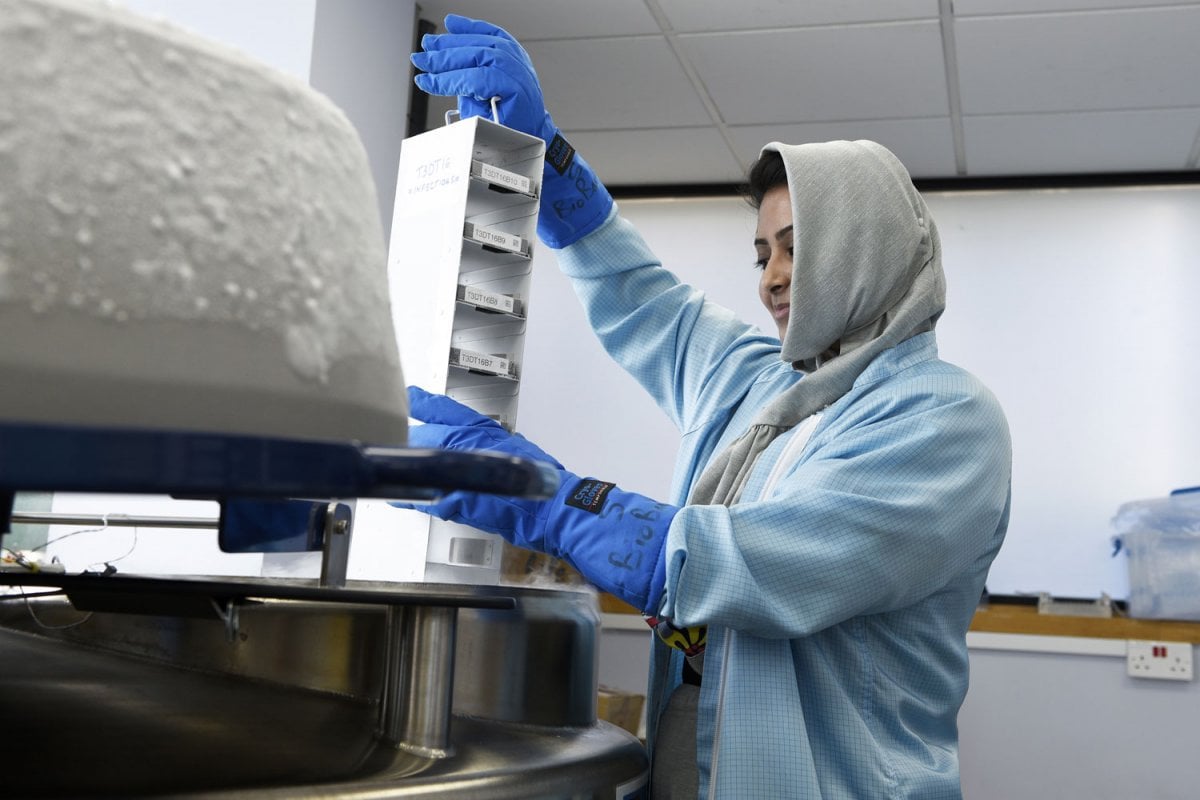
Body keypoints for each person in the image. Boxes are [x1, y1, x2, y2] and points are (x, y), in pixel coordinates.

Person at [396, 14, 1012, 799]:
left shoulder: (944, 421)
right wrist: (548, 159)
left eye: (796, 246)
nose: (772, 279)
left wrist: (551, 499)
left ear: (870, 246)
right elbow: (650, 306)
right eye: (762, 255)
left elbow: (750, 564)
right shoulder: (766, 387)